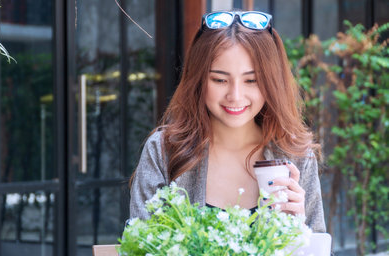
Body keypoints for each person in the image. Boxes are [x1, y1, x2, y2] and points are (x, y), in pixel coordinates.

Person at [130, 10, 326, 231]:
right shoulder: (165, 150)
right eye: (220, 79)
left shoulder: (295, 155)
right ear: (198, 80)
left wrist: (299, 226)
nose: (235, 95)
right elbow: (137, 251)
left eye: (251, 80)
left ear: (272, 82)